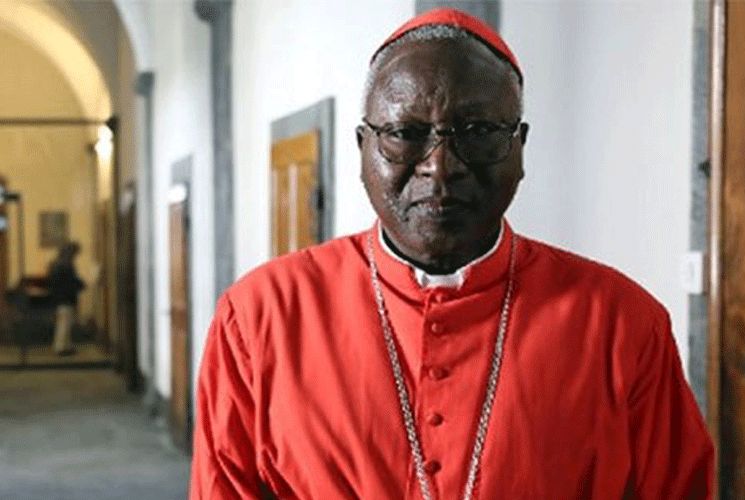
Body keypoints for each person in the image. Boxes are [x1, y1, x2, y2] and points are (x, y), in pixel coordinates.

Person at [190, 8, 713, 499]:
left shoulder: (623, 323)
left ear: (520, 146)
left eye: (478, 131)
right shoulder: (258, 317)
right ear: (362, 148)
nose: (440, 167)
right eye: (405, 133)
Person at [48, 241, 84, 356]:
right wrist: (81, 284)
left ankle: (66, 346)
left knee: (64, 322)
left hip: (59, 297)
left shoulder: (56, 264)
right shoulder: (66, 265)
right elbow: (71, 281)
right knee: (64, 323)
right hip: (66, 297)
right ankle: (60, 348)